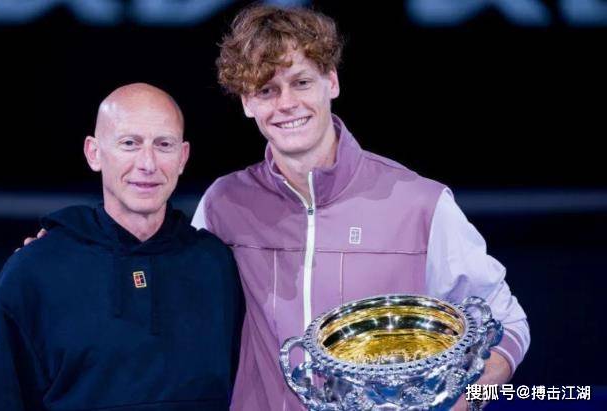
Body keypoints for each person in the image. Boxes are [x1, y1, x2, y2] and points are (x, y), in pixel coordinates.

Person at [190, 5, 530, 410]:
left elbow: (506, 324)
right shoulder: (224, 205)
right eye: (266, 90)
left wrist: (462, 403)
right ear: (247, 102)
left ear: (331, 82)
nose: (286, 103)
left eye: (301, 82)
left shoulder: (419, 203)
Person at [0, 83, 244, 411]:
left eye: (164, 144)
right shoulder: (34, 271)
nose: (148, 163)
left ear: (183, 157)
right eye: (130, 143)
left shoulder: (216, 264)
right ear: (94, 153)